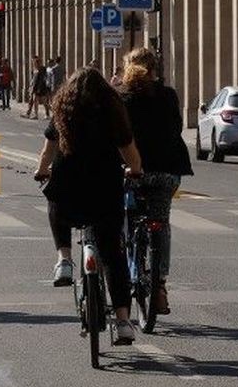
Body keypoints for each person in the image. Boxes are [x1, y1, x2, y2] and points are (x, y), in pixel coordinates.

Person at [35, 67, 143, 344]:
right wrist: (135, 170)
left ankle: (64, 259)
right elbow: (128, 150)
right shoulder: (112, 111)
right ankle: (122, 322)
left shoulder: (64, 110)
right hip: (104, 189)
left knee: (53, 199)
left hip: (69, 187)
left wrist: (41, 170)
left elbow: (48, 150)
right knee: (113, 255)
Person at [119, 48, 192, 315]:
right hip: (167, 170)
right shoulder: (168, 95)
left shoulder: (121, 97)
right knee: (160, 224)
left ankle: (123, 275)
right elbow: (177, 128)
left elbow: (117, 136)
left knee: (119, 220)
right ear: (154, 70)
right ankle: (160, 286)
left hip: (132, 171)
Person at [26, 55, 51, 119]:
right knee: (34, 101)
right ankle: (35, 115)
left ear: (38, 63)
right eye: (33, 63)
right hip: (35, 87)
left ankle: (48, 114)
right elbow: (33, 79)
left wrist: (39, 88)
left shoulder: (42, 69)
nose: (33, 64)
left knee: (44, 102)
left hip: (41, 88)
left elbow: (42, 79)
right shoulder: (35, 69)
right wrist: (30, 86)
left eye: (34, 63)